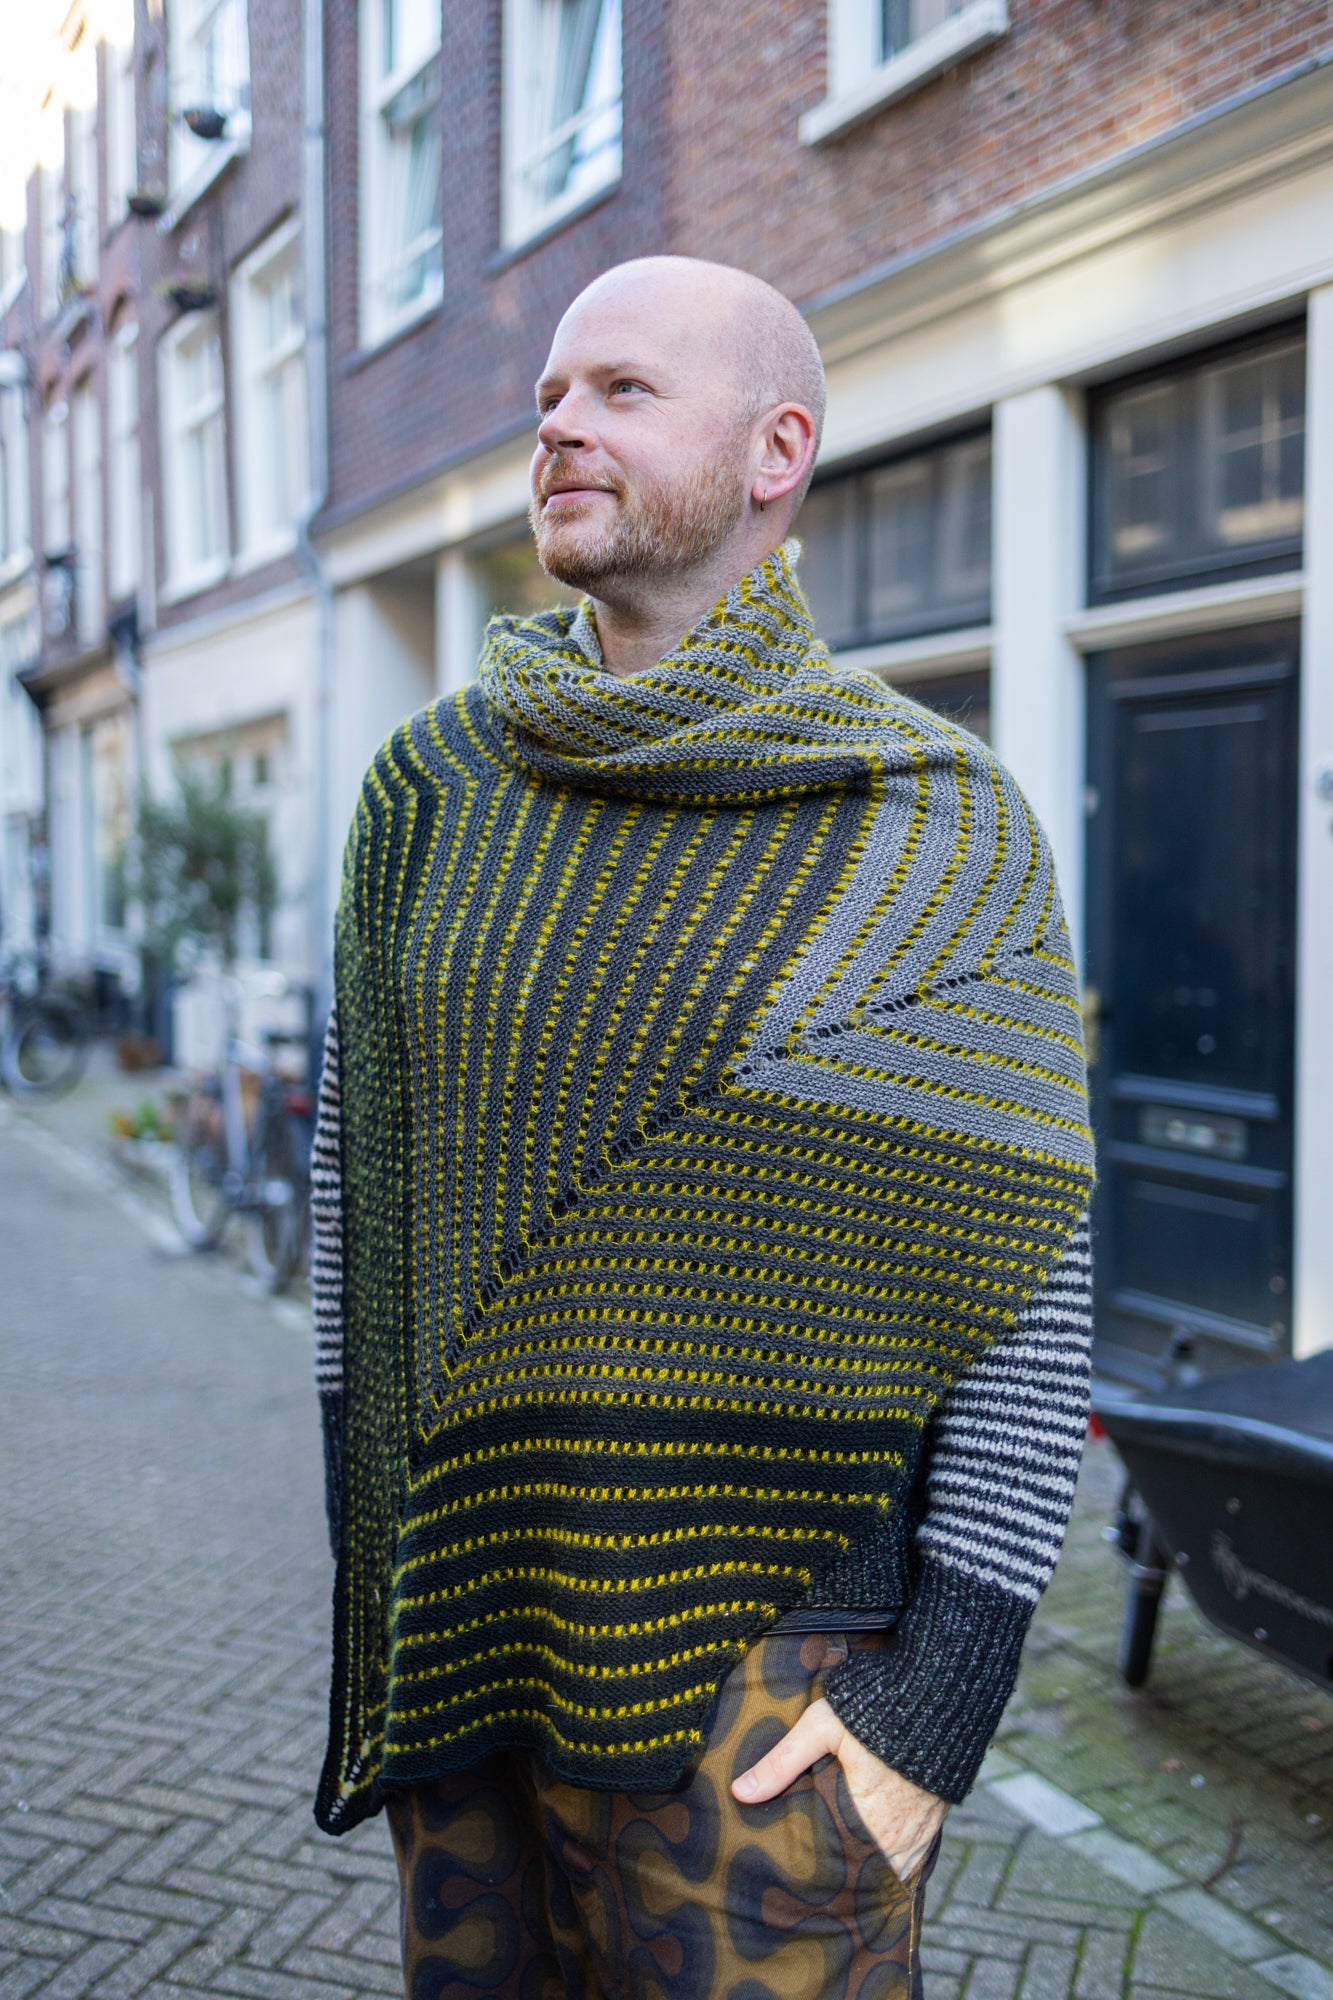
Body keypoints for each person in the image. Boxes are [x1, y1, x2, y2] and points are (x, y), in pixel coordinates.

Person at [310, 255, 1095, 2000]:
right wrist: (375, 1572)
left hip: (774, 1674)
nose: (559, 425)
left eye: (622, 391)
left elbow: (1029, 1287)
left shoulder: (928, 826)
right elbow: (359, 1206)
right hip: (466, 1634)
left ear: (773, 451)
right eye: (548, 397)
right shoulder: (425, 795)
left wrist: (934, 1704)